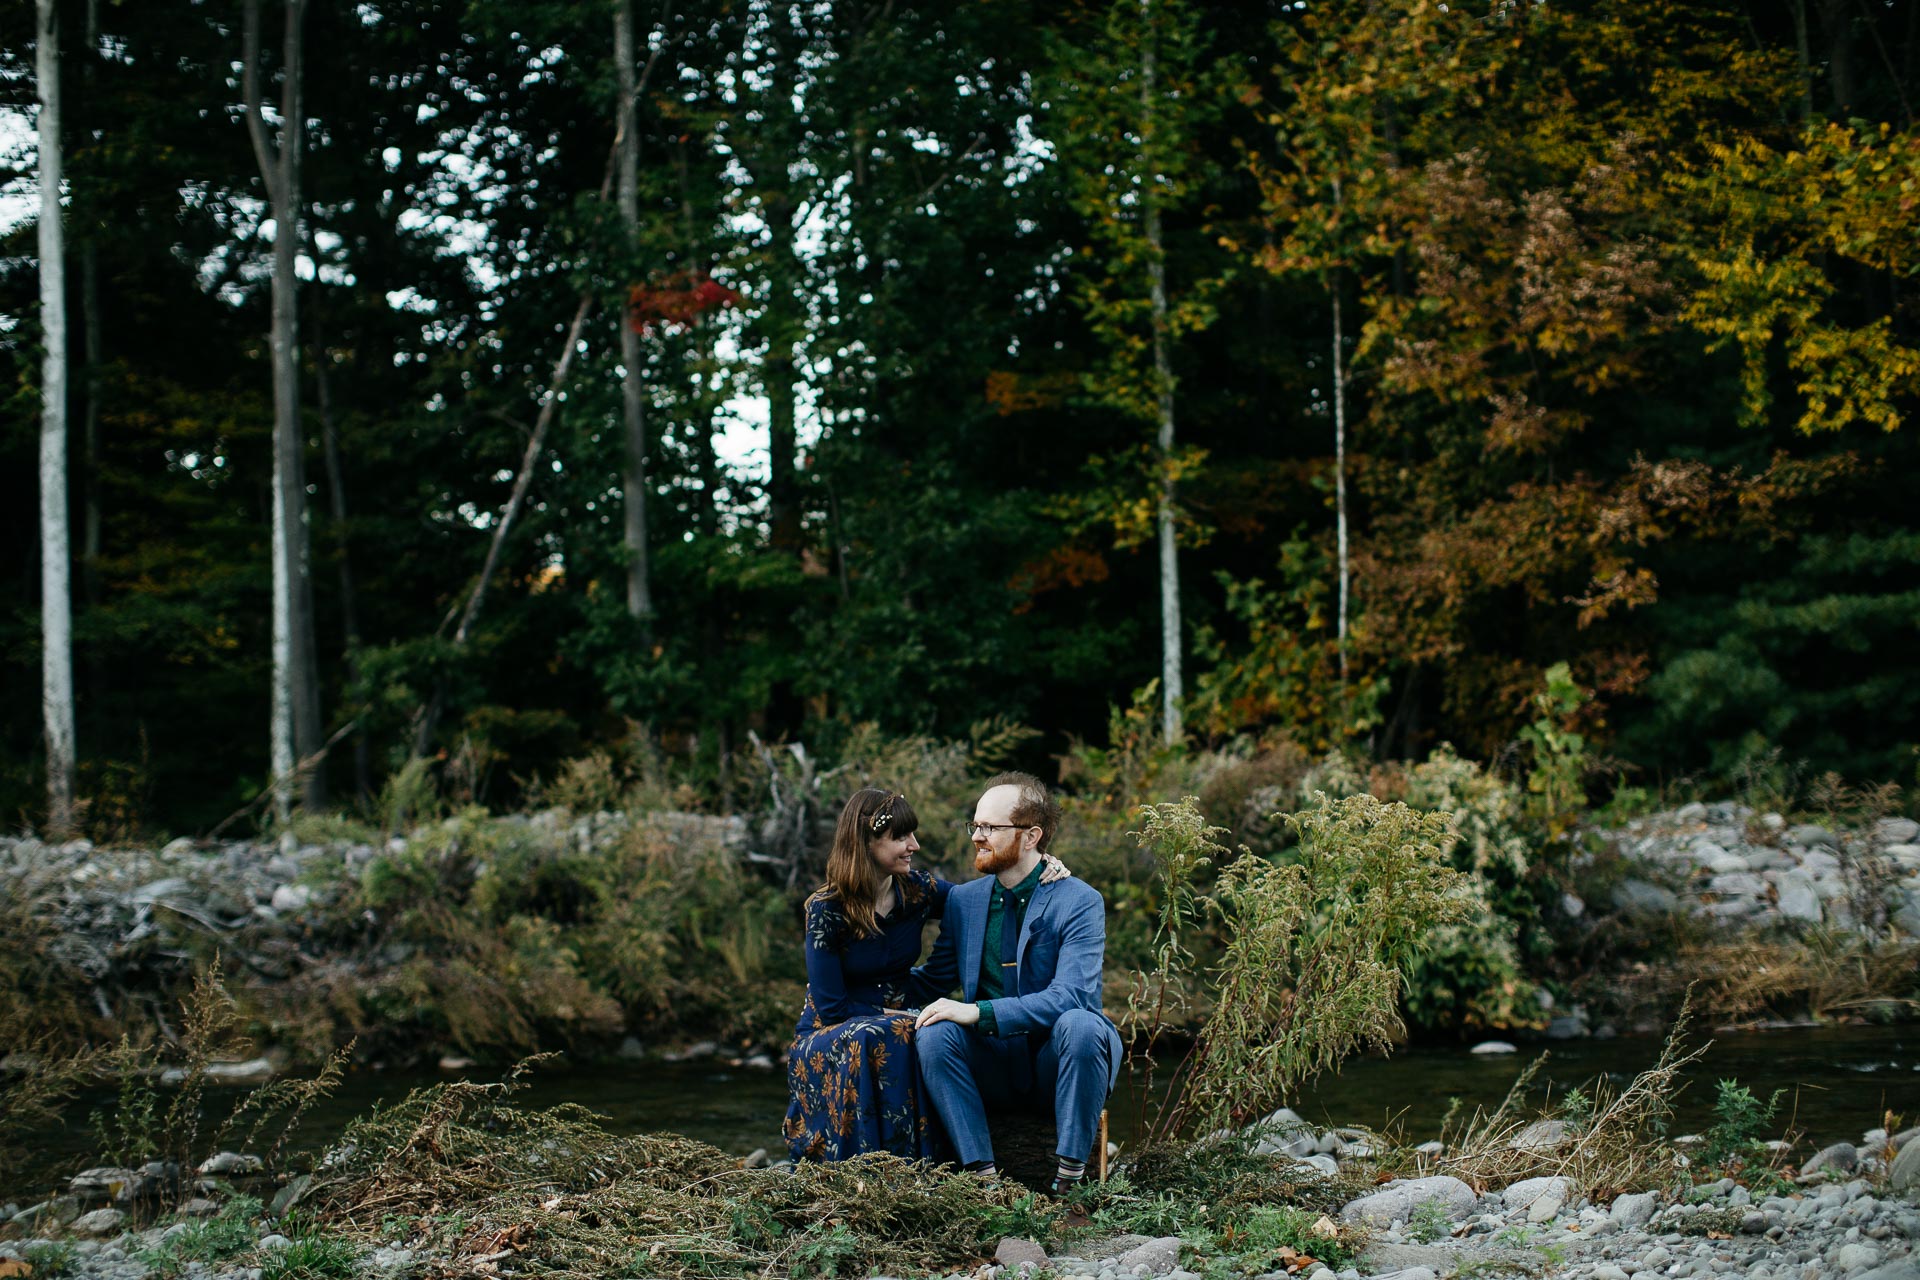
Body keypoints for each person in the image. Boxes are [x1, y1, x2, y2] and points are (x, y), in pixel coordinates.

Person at [782, 787, 1069, 1163]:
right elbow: (833, 1007)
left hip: (898, 1022)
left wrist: (1039, 862)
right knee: (896, 1031)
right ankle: (862, 1168)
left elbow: (981, 898)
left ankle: (924, 1166)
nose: (913, 845)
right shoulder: (826, 910)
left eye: (912, 835)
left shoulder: (917, 890)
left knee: (926, 1030)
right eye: (900, 837)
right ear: (865, 843)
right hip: (832, 1031)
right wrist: (905, 1016)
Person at [911, 771, 1122, 1195]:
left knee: (1082, 1024)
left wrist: (978, 1011)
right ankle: (983, 1185)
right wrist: (854, 983)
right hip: (993, 1067)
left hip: (1057, 1063)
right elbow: (932, 980)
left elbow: (1072, 995)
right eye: (975, 825)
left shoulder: (1079, 900)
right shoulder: (963, 902)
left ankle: (1071, 1185)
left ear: (1031, 836)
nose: (977, 836)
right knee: (935, 1033)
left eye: (990, 827)